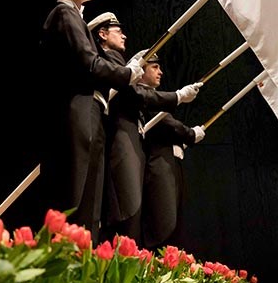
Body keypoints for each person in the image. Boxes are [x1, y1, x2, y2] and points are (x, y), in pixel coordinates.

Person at [36, 0, 144, 243]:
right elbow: (89, 64)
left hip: (90, 111)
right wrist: (128, 74)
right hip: (78, 111)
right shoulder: (64, 13)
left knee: (90, 203)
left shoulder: (74, 16)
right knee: (77, 197)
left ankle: (85, 268)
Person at [86, 13, 202, 244]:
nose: (124, 35)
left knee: (134, 215)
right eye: (118, 31)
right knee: (127, 213)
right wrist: (178, 97)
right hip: (121, 145)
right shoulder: (110, 61)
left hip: (132, 146)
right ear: (102, 34)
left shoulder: (117, 62)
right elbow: (137, 93)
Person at [138, 50, 206, 252]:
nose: (160, 72)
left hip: (167, 162)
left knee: (173, 220)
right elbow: (166, 123)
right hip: (157, 164)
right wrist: (189, 134)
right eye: (154, 67)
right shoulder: (144, 95)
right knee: (163, 222)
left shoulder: (153, 96)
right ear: (140, 72)